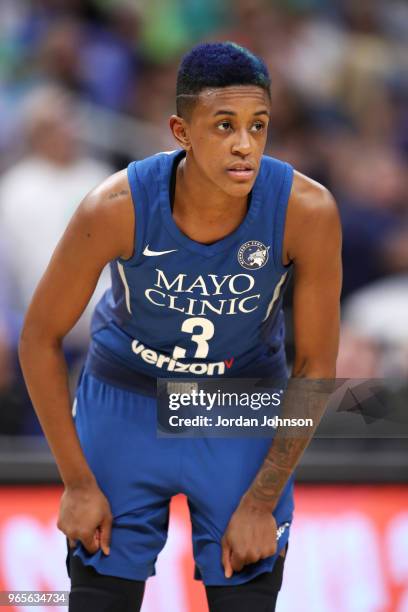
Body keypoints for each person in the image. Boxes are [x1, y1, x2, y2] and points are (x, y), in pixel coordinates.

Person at [19, 42, 341, 611]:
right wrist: (76, 482)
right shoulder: (114, 206)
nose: (245, 145)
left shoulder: (305, 212)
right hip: (127, 402)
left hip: (238, 407)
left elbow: (315, 366)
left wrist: (262, 501)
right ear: (180, 130)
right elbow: (38, 339)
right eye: (224, 126)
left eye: (258, 126)